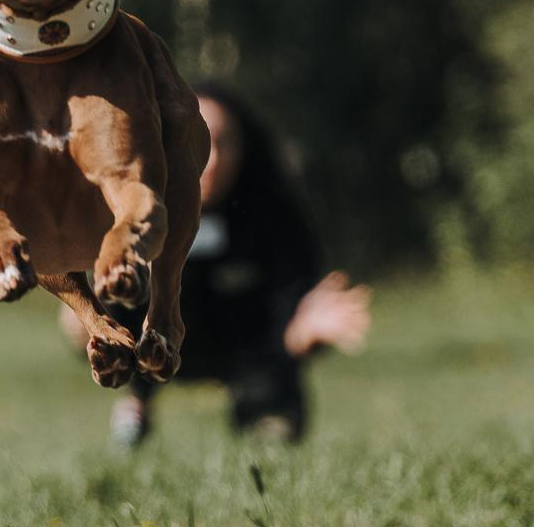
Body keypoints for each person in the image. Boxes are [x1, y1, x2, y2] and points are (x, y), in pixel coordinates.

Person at [64, 81, 371, 446]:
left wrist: (303, 330)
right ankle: (135, 404)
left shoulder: (275, 213)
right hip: (151, 345)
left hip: (248, 351)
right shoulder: (131, 209)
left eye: (225, 142)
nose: (213, 159)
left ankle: (266, 420)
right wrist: (85, 313)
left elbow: (291, 305)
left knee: (273, 427)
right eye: (198, 141)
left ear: (245, 146)